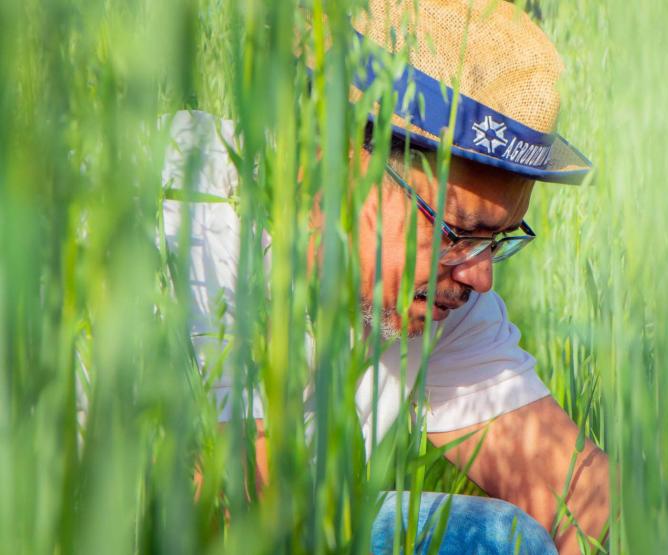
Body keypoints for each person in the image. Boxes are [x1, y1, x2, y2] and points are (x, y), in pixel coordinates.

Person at [162, 1, 609, 553]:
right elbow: (234, 518)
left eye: (496, 240)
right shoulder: (190, 221)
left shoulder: (438, 291)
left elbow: (575, 493)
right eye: (456, 231)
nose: (480, 277)